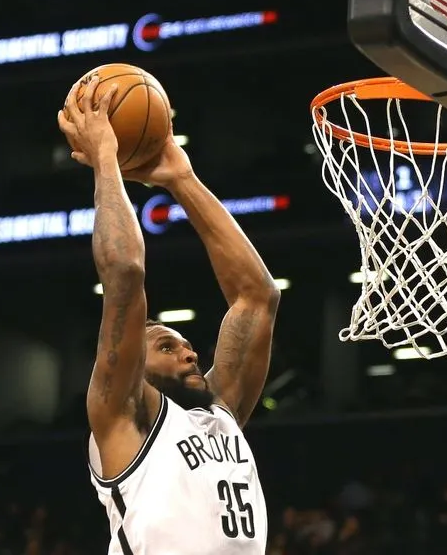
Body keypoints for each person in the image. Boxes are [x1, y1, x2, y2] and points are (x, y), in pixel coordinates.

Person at [58, 75, 281, 554]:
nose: (189, 353)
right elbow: (124, 270)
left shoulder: (220, 413)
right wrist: (105, 159)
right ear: (135, 364)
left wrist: (183, 180)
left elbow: (257, 297)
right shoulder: (124, 418)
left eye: (184, 345)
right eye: (166, 345)